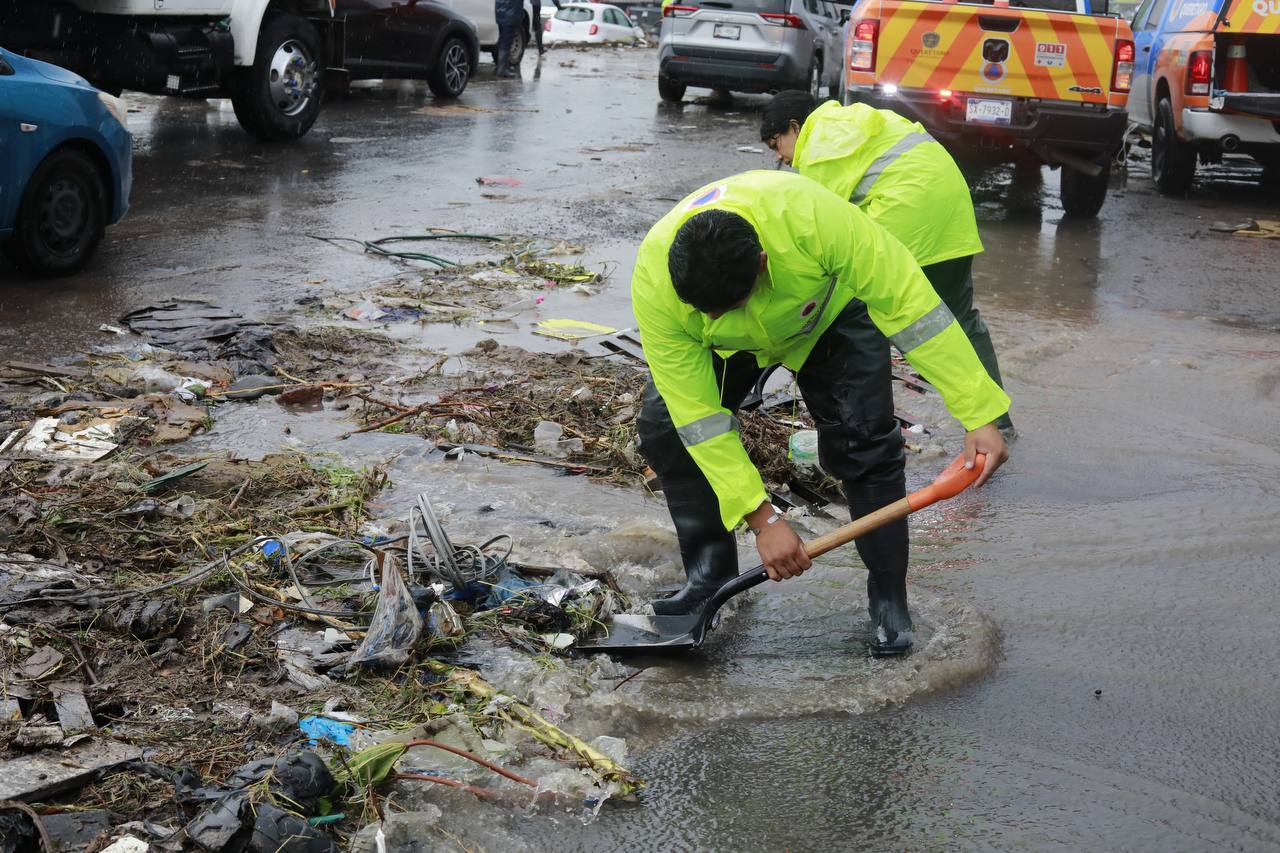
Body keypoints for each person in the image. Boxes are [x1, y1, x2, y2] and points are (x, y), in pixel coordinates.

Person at [633, 171, 1010, 654]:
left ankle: (889, 595)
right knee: (665, 428)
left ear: (763, 264)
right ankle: (710, 575)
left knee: (865, 441)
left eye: (726, 305)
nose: (712, 316)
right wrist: (762, 518)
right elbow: (698, 419)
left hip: (825, 316)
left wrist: (978, 414)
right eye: (703, 310)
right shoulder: (656, 280)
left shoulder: (814, 218)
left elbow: (914, 311)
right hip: (724, 350)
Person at [760, 91, 1013, 435]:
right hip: (952, 214)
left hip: (908, 215)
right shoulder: (858, 118)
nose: (781, 157)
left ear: (795, 127)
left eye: (777, 143)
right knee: (961, 319)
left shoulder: (818, 142)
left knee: (864, 318)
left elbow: (820, 232)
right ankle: (998, 423)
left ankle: (870, 428)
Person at [495, 0, 523, 78]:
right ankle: (502, 69)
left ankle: (503, 66)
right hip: (511, 12)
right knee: (506, 41)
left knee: (502, 39)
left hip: (500, 12)